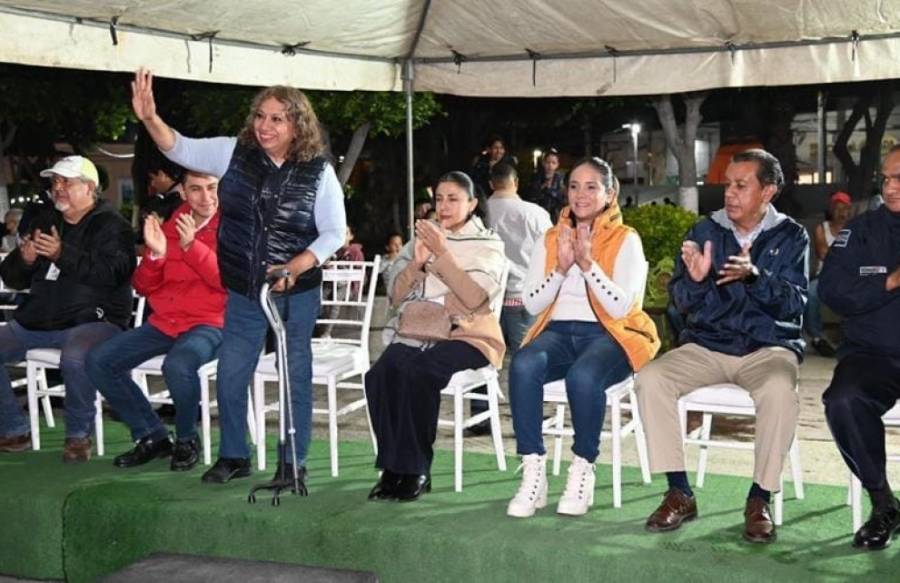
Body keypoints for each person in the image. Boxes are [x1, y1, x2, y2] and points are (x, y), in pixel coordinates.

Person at [131, 68, 346, 486]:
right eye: (260, 116)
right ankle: (234, 455)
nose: (264, 126)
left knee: (293, 374)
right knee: (231, 371)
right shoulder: (232, 152)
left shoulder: (319, 172)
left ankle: (293, 463)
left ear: (297, 125)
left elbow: (334, 232)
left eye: (277, 119)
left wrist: (297, 265)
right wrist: (150, 118)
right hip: (245, 290)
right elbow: (180, 149)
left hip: (294, 293)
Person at [635, 149, 808, 544]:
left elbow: (796, 304)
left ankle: (758, 497)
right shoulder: (704, 231)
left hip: (768, 349)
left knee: (781, 390)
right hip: (708, 346)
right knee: (651, 377)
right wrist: (695, 281)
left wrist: (755, 277)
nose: (729, 193)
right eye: (727, 184)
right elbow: (680, 301)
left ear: (768, 192)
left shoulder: (791, 235)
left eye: (740, 185)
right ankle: (679, 490)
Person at [506, 157, 659, 518]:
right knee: (524, 363)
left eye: (592, 186)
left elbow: (623, 307)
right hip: (557, 332)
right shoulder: (551, 238)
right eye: (574, 186)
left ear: (610, 193)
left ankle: (582, 467)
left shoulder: (626, 239)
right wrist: (560, 269)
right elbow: (531, 301)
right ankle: (533, 471)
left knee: (584, 376)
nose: (581, 194)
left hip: (611, 335)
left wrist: (589, 266)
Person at [365, 171, 506, 502]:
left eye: (453, 199)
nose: (443, 206)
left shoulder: (488, 243)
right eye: (439, 198)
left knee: (419, 373)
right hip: (422, 329)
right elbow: (397, 297)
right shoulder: (421, 239)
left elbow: (474, 299)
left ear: (472, 204)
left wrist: (442, 256)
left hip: (469, 335)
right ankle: (393, 468)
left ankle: (416, 469)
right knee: (381, 375)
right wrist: (415, 265)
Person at [85, 171, 225, 472]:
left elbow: (228, 283)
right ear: (184, 193)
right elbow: (144, 287)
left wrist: (192, 247)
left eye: (212, 188)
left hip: (212, 323)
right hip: (167, 322)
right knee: (99, 360)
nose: (206, 197)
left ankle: (187, 439)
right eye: (196, 189)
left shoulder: (234, 226)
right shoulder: (169, 226)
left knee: (176, 365)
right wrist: (155, 257)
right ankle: (152, 435)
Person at [0, 155, 136, 461]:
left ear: (90, 188)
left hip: (94, 321)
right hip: (39, 321)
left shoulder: (113, 226)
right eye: (55, 182)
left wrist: (62, 253)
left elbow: (111, 274)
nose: (58, 188)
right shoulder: (45, 220)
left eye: (67, 181)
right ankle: (13, 429)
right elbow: (11, 277)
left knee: (75, 358)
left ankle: (77, 436)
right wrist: (25, 260)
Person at [819, 145, 900, 551]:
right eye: (886, 178)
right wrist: (887, 282)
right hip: (874, 354)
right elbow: (831, 290)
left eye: (899, 178)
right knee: (843, 400)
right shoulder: (862, 231)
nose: (890, 186)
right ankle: (883, 502)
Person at [804, 191, 852, 357]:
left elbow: (859, 255)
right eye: (837, 208)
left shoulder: (856, 228)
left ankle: (849, 336)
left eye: (844, 208)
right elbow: (823, 253)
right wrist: (846, 253)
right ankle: (817, 337)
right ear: (831, 209)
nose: (841, 212)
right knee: (811, 292)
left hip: (849, 276)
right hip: (825, 276)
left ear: (849, 210)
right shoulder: (822, 228)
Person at [471, 135, 516, 200]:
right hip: (485, 198)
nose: (499, 151)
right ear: (488, 149)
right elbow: (476, 183)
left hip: (504, 197)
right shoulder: (481, 165)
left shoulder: (508, 164)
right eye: (496, 148)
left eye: (501, 148)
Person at [528, 148, 565, 221]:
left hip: (556, 214)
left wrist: (550, 190)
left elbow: (562, 197)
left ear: (557, 164)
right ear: (543, 163)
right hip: (539, 212)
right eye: (548, 162)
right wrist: (543, 187)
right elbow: (531, 195)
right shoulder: (536, 177)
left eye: (553, 163)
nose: (550, 165)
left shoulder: (560, 178)